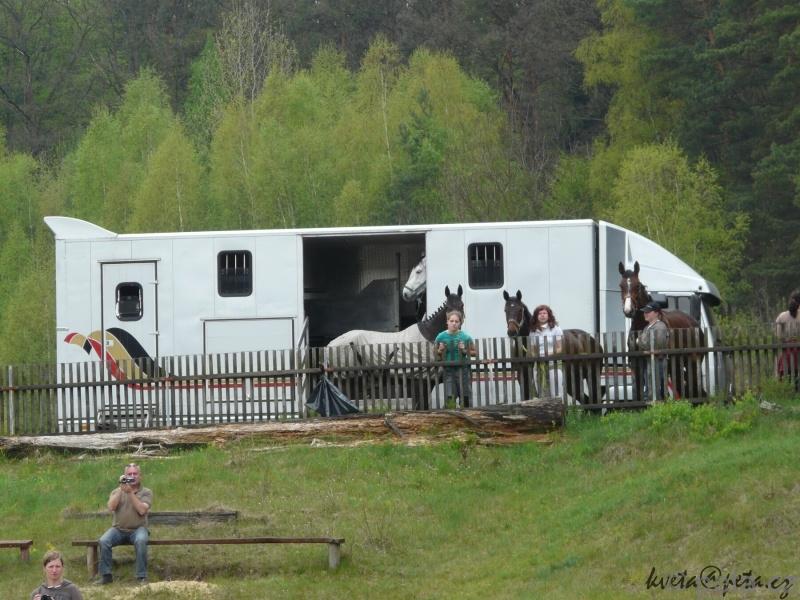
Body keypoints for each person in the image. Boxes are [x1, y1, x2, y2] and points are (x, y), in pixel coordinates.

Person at [97, 462, 152, 585]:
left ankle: (141, 577)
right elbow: (111, 507)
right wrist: (121, 490)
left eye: (135, 474)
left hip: (139, 528)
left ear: (140, 476)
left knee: (141, 540)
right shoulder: (116, 491)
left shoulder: (146, 492)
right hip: (118, 529)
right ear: (124, 476)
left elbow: (142, 510)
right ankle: (106, 576)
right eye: (129, 474)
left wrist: (130, 493)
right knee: (104, 541)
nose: (132, 476)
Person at [435, 310, 476, 408]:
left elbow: (475, 353)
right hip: (448, 371)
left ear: (460, 323)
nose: (454, 323)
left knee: (465, 397)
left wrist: (464, 350)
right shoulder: (440, 337)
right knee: (450, 397)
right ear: (447, 322)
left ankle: (467, 414)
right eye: (451, 321)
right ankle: (451, 416)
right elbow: (436, 356)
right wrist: (440, 350)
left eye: (456, 321)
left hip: (463, 370)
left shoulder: (466, 337)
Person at [637, 301, 670, 402]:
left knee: (657, 387)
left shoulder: (660, 326)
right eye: (644, 312)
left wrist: (639, 341)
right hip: (649, 361)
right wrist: (643, 343)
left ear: (656, 313)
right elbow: (645, 345)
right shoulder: (647, 327)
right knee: (649, 386)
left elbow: (657, 345)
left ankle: (659, 406)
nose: (645, 314)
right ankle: (652, 405)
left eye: (648, 312)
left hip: (658, 361)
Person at [530, 305, 564, 397]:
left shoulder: (556, 329)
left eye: (545, 313)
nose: (542, 315)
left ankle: (558, 406)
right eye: (540, 313)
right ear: (536, 316)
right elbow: (533, 350)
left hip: (553, 363)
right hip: (538, 364)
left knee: (556, 393)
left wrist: (548, 354)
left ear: (549, 315)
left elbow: (560, 348)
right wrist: (536, 357)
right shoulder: (533, 331)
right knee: (541, 393)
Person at [775, 290, 800, 389]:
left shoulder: (782, 316)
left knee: (786, 372)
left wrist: (785, 341)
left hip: (787, 351)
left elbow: (778, 336)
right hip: (798, 351)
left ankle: (787, 391)